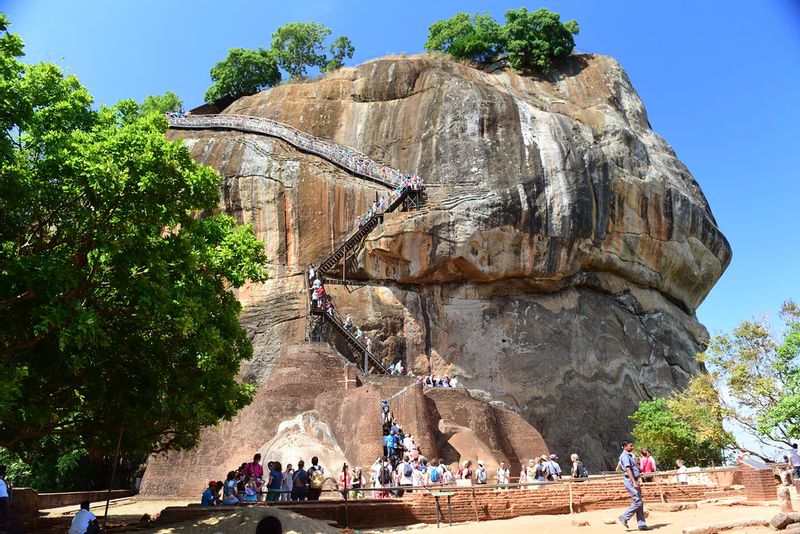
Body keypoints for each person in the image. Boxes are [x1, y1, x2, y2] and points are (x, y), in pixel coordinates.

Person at [619, 441, 650, 531]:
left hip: (634, 480)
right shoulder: (625, 456)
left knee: (640, 502)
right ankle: (624, 517)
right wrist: (634, 482)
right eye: (630, 446)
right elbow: (628, 469)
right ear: (625, 446)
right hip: (630, 480)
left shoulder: (630, 455)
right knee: (638, 501)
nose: (632, 447)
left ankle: (642, 524)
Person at [0, 465, 9, 532]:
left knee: (4, 514)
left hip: (4, 497)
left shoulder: (2, 481)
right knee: (4, 514)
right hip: (4, 498)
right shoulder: (2, 481)